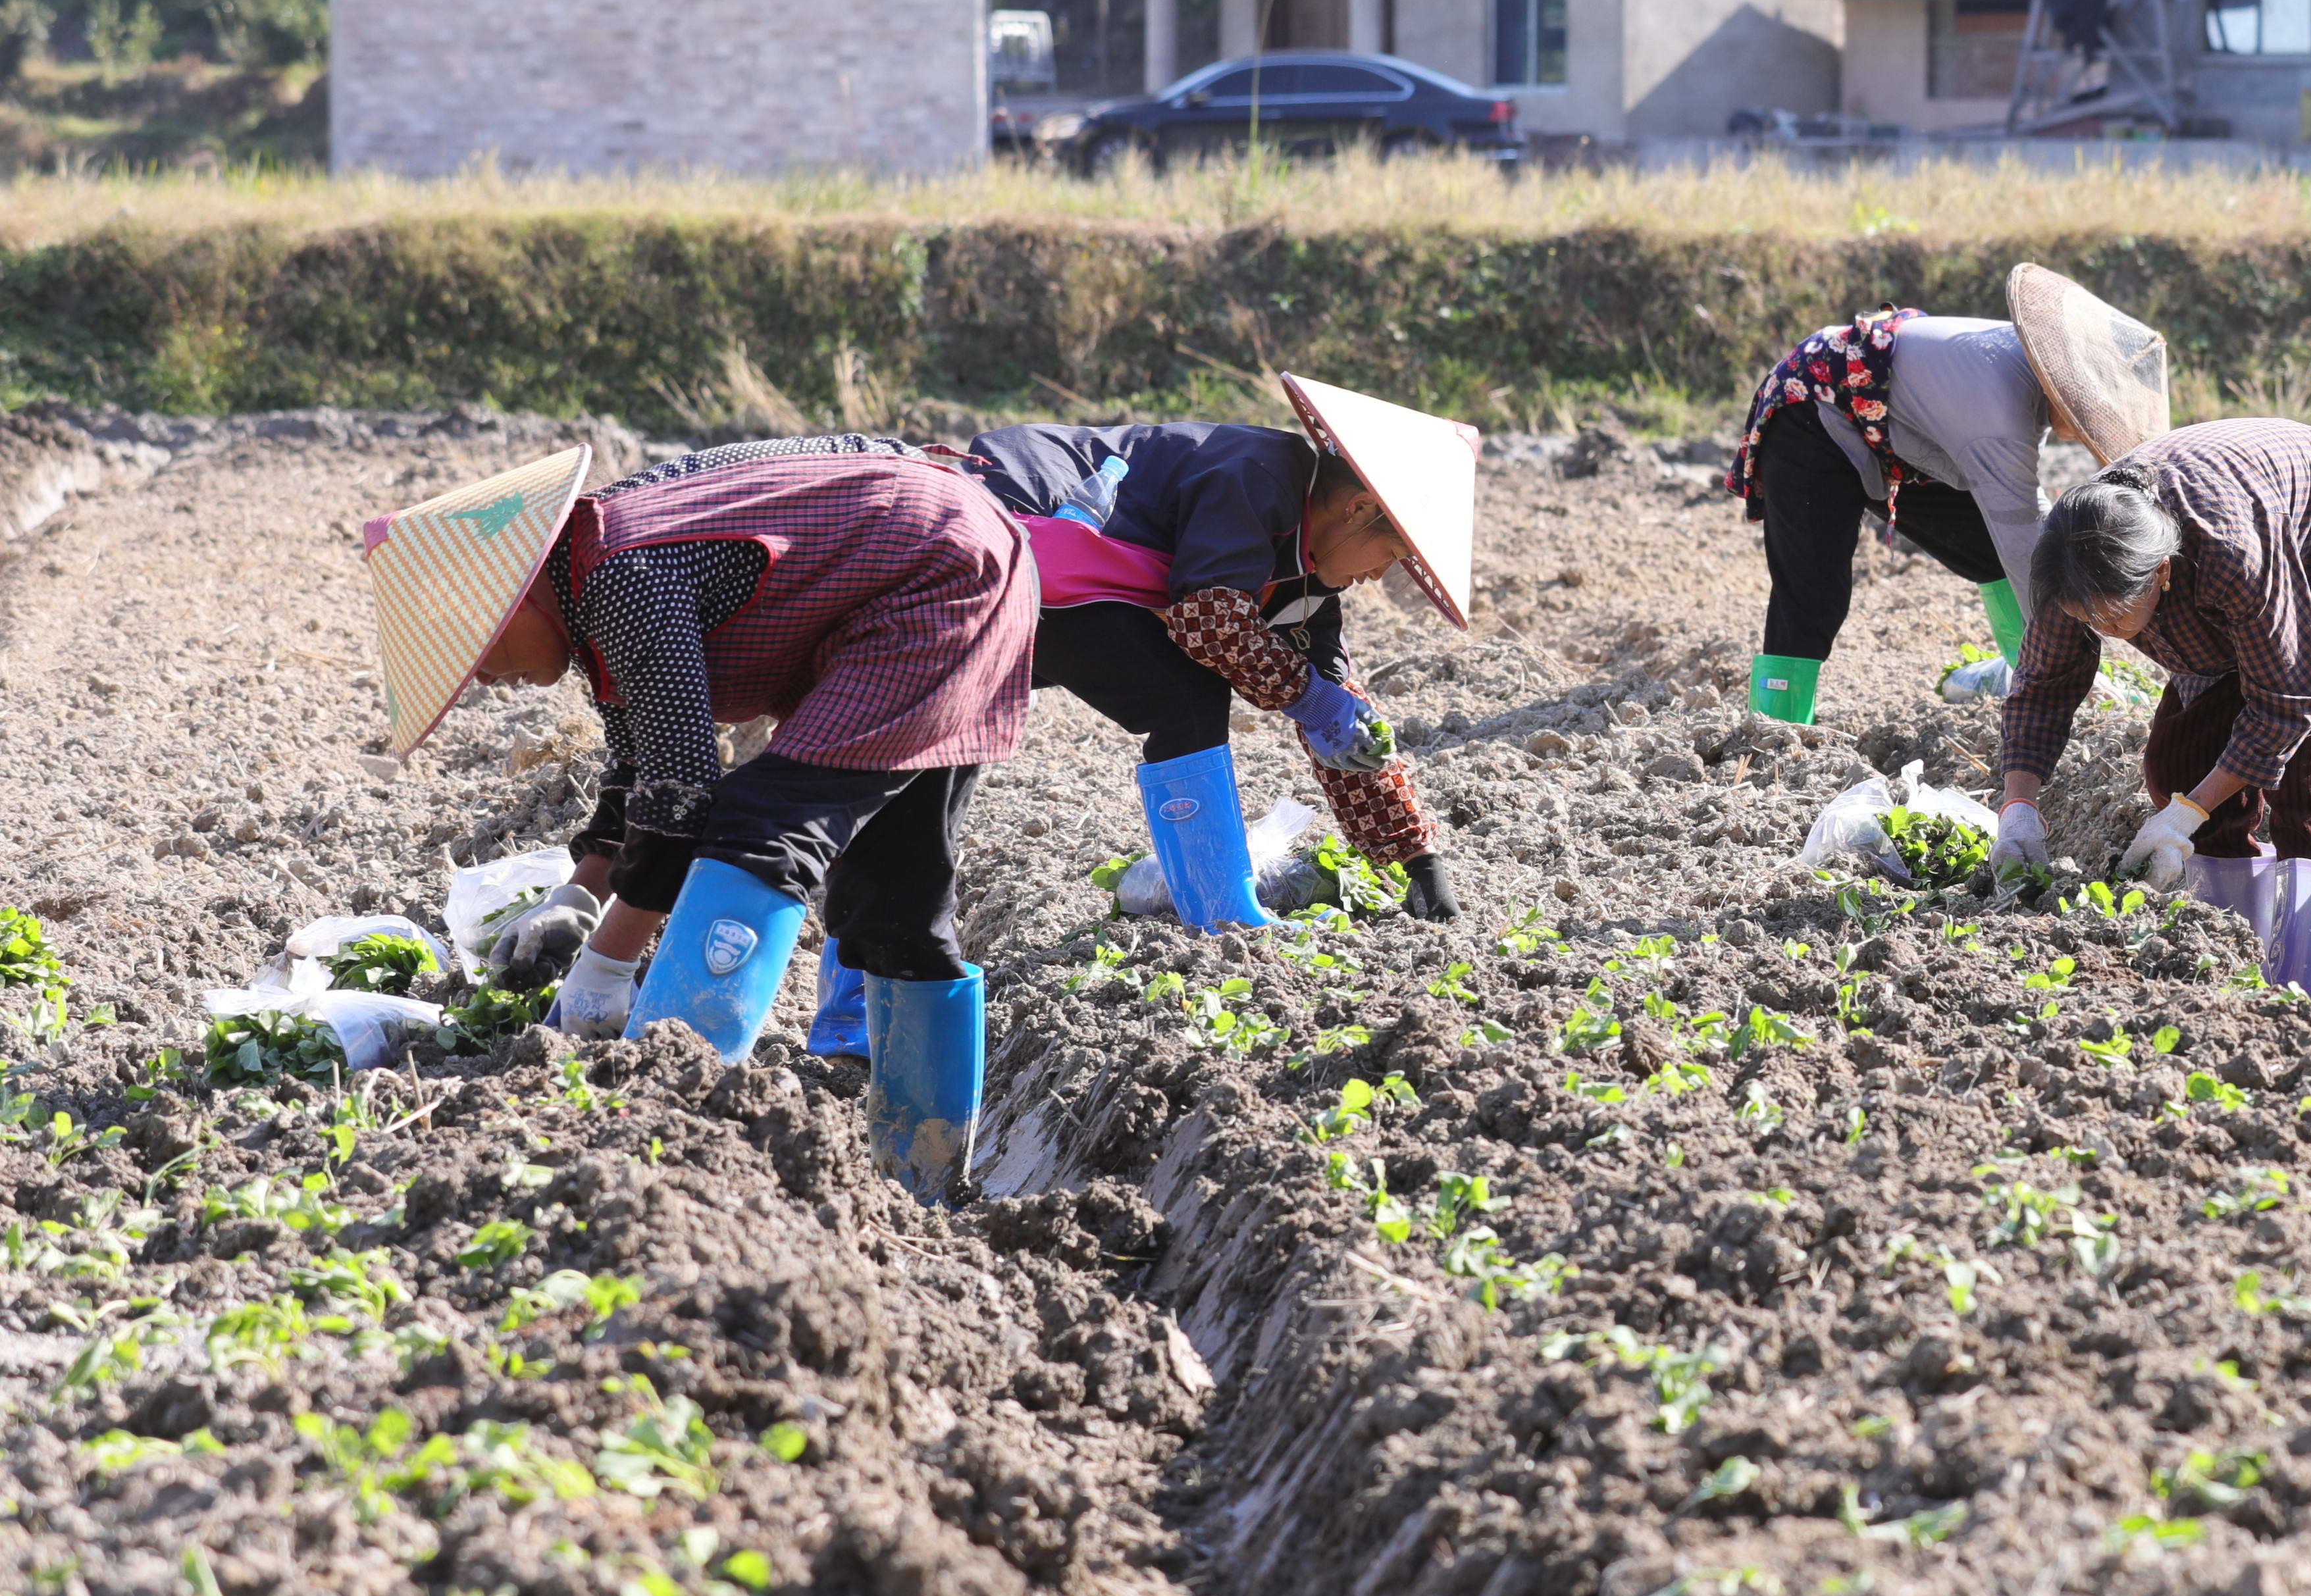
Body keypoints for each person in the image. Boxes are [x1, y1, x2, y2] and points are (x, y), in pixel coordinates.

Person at [363, 440, 1033, 1190]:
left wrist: (608, 964)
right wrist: (580, 896)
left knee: (759, 831)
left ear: (513, 594)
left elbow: (682, 790)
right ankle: (922, 1180)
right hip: (956, 555)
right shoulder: (595, 575)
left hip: (934, 578)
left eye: (478, 648)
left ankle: (672, 1129)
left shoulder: (621, 582)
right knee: (899, 898)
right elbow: (641, 761)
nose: (484, 675)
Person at [959, 372, 1480, 940]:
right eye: (1391, 552)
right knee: (1186, 696)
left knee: (948, 732)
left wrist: (1417, 858)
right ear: (1357, 510)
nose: (1380, 574)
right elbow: (1209, 620)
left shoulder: (1308, 585)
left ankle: (873, 955)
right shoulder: (1259, 475)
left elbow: (1342, 712)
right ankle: (1222, 910)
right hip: (1021, 522)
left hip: (1059, 571)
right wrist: (1308, 697)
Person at [1988, 422, 2311, 995]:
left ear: (2161, 573)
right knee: (2179, 767)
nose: (2101, 630)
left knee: (2305, 765)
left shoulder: (2228, 550)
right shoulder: (2075, 559)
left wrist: (2187, 817)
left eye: (2113, 617)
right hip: (2242, 579)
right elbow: (2044, 682)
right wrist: (2020, 806)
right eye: (2088, 618)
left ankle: (2307, 975)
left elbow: (2288, 700)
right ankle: (2238, 941)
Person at [1728, 265, 2169, 721]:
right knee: (1813, 590)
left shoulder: (2025, 379)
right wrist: (2072, 668)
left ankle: (2031, 673)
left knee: (1985, 548)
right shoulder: (1998, 411)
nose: (2083, 429)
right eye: (2090, 412)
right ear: (2071, 388)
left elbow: (2019, 529)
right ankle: (1773, 726)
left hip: (1895, 429)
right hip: (1814, 409)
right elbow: (2024, 542)